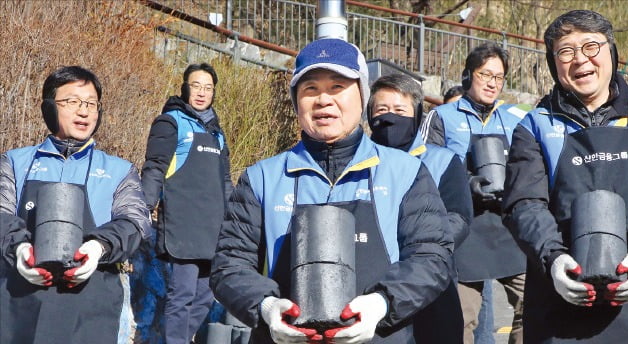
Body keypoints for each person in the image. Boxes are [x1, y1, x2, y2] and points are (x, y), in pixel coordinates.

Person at [210, 38, 456, 344]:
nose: (323, 100)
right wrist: (266, 306)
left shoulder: (405, 173)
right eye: (310, 89)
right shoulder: (262, 177)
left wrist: (382, 303)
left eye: (337, 87)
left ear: (362, 96)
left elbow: (432, 256)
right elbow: (229, 265)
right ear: (296, 101)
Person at [503, 9, 628, 343]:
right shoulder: (534, 126)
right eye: (566, 51)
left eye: (591, 46)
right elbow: (524, 203)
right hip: (562, 302)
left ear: (611, 52)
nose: (580, 60)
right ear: (553, 63)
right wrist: (553, 259)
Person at [0, 65, 151, 343]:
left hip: (93, 307)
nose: (84, 111)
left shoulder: (120, 170)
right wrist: (19, 248)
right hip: (21, 302)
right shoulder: (14, 162)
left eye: (91, 104)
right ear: (49, 107)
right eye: (72, 102)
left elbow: (135, 221)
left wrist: (97, 247)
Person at [421, 42, 528, 344]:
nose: (492, 83)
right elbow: (424, 165)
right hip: (464, 230)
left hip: (508, 229)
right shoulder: (442, 116)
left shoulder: (517, 117)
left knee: (533, 304)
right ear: (468, 76)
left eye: (499, 77)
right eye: (485, 74)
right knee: (462, 318)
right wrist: (465, 182)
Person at [367, 72, 472, 343]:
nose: (390, 117)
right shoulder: (359, 163)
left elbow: (458, 217)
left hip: (432, 286)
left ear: (416, 115)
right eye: (382, 110)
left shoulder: (442, 160)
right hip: (372, 290)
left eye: (399, 110)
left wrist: (416, 248)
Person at [141, 62, 234, 344]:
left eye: (208, 88)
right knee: (181, 295)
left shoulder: (218, 133)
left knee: (206, 298)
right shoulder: (171, 122)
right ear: (185, 88)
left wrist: (234, 219)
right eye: (196, 86)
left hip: (213, 227)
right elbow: (155, 167)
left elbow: (226, 181)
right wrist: (144, 206)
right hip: (182, 225)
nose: (202, 93)